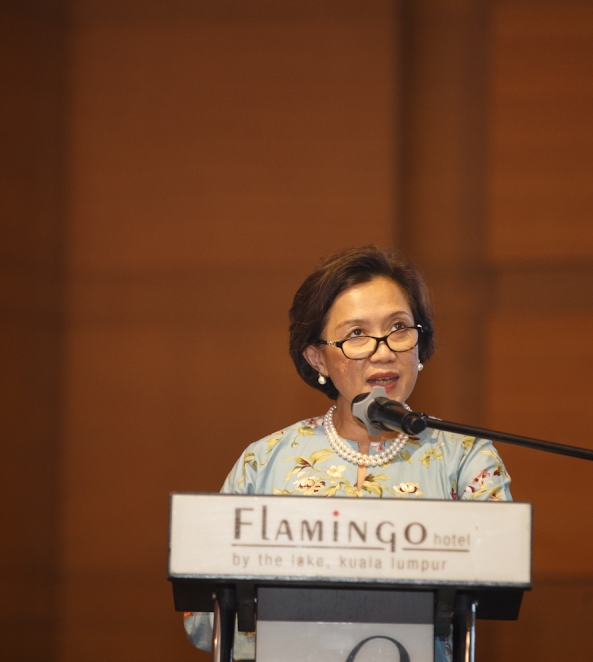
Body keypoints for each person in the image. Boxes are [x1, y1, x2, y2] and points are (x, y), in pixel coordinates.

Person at [184, 245, 512, 660]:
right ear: (317, 356)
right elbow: (201, 617)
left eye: (399, 327)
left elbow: (498, 585)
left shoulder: (465, 459)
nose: (384, 350)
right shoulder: (264, 461)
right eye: (356, 334)